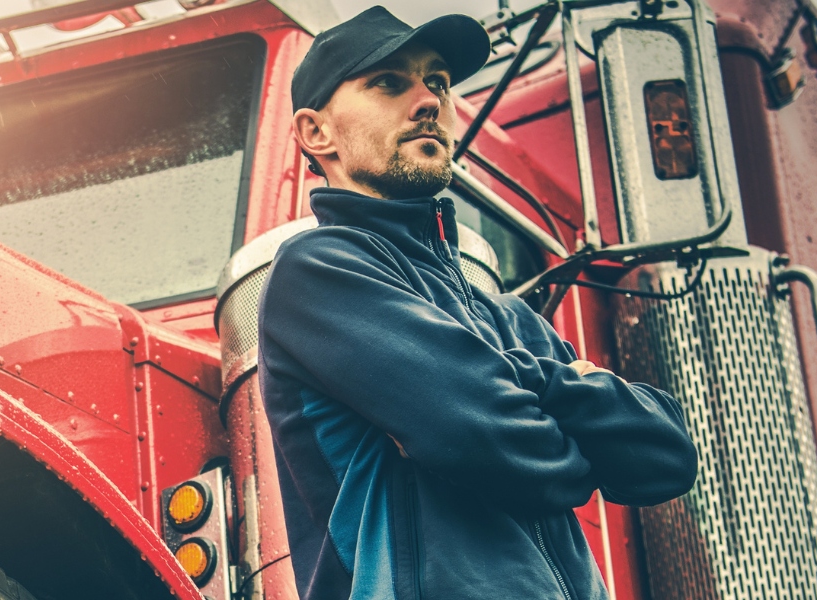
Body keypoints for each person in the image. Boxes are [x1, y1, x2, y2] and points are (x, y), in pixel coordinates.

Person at [257, 7, 698, 600]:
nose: (428, 102)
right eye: (388, 82)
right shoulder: (319, 271)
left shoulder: (507, 316)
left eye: (437, 82)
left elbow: (665, 456)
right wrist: (566, 394)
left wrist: (509, 383)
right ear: (316, 133)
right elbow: (490, 441)